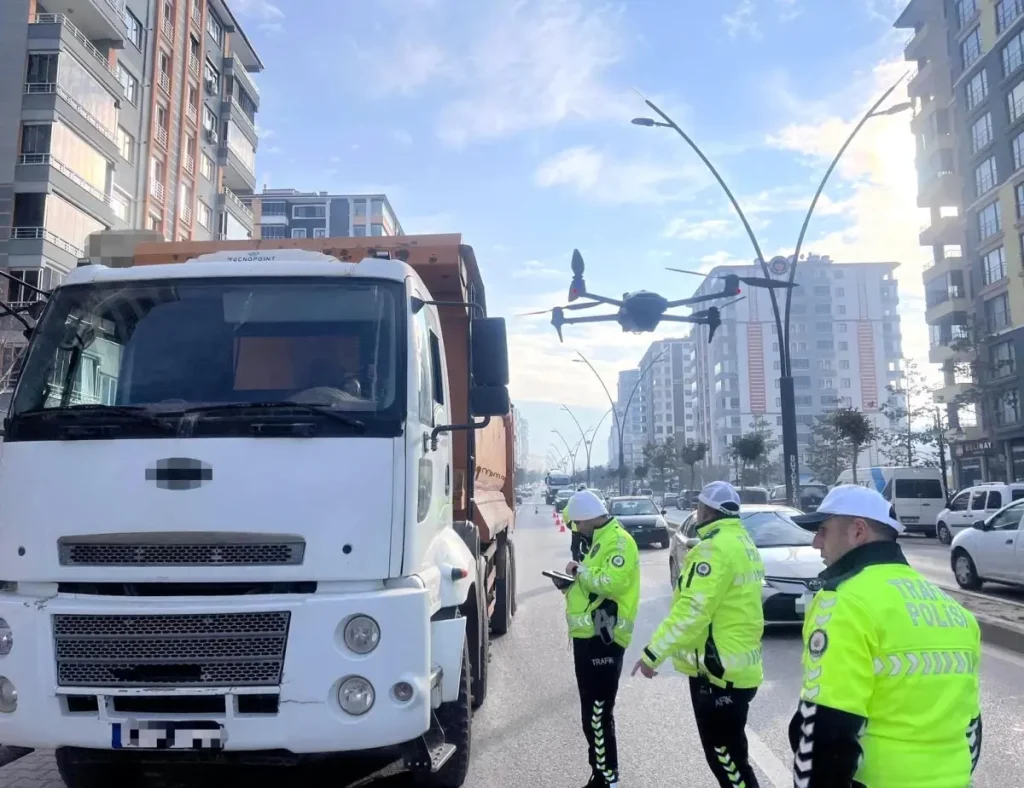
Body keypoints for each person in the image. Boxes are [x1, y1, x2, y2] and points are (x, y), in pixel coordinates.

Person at [787, 485, 982, 788]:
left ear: (858, 531)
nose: (816, 543)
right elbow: (971, 727)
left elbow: (827, 731)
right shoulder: (950, 608)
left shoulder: (844, 603)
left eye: (823, 530)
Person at [632, 481, 764, 788]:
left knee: (727, 760)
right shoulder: (743, 541)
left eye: (699, 507)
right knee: (733, 756)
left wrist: (653, 653)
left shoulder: (713, 549)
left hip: (718, 673)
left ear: (705, 510)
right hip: (740, 668)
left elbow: (691, 611)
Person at [563, 489, 640, 788]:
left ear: (586, 519)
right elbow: (594, 584)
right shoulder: (599, 541)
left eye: (577, 523)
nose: (576, 529)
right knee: (591, 715)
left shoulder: (618, 541)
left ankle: (608, 780)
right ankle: (601, 775)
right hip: (590, 635)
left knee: (598, 714)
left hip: (604, 638)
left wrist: (579, 572)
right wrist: (571, 582)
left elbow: (612, 583)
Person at [568, 483, 589, 562]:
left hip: (576, 529)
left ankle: (576, 565)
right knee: (586, 547)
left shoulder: (574, 499)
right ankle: (587, 563)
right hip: (588, 529)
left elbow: (566, 512)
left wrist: (569, 524)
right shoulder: (590, 500)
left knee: (575, 548)